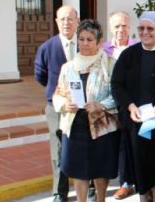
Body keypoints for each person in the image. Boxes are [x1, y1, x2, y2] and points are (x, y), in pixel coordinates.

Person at [111, 11, 155, 202]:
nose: (145, 32)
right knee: (139, 163)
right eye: (141, 28)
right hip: (136, 122)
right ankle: (143, 197)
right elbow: (117, 84)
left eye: (150, 28)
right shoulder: (128, 55)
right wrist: (130, 106)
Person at [52, 19, 119, 202]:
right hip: (75, 125)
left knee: (100, 167)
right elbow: (57, 94)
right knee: (78, 168)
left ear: (99, 41)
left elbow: (119, 93)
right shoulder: (68, 67)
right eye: (81, 39)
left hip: (102, 125)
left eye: (89, 39)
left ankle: (101, 199)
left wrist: (101, 105)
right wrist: (66, 103)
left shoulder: (110, 65)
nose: (84, 43)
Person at [34, 5, 78, 202]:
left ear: (77, 20)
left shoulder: (86, 44)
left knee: (86, 145)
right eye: (62, 19)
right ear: (56, 22)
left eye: (70, 18)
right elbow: (40, 75)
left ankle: (91, 185)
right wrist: (57, 93)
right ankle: (59, 192)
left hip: (82, 107)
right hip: (57, 107)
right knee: (58, 150)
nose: (66, 23)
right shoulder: (47, 47)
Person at [100, 11, 137, 200]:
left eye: (124, 25)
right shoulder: (104, 49)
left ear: (129, 27)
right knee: (111, 144)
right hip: (107, 105)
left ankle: (127, 182)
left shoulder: (138, 47)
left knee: (127, 143)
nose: (121, 29)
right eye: (116, 26)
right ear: (110, 27)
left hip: (129, 104)